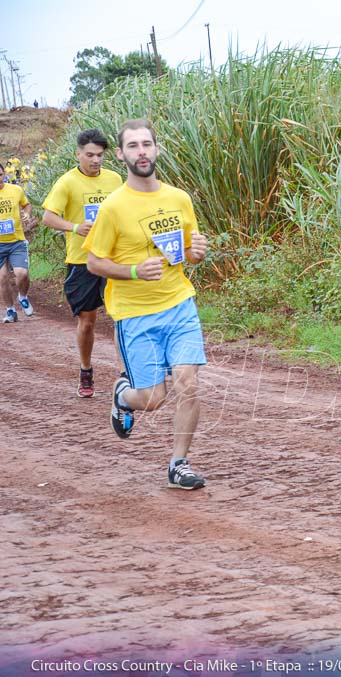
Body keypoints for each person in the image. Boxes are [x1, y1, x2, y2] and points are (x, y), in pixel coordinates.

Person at [83, 119, 211, 490]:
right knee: (153, 399)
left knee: (187, 383)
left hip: (179, 304)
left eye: (147, 144)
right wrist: (135, 271)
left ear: (157, 149)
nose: (142, 152)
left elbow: (184, 251)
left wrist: (196, 252)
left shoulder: (178, 198)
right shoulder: (114, 207)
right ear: (121, 155)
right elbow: (94, 262)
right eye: (133, 146)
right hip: (135, 314)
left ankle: (179, 463)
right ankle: (123, 396)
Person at [42, 128, 123, 397]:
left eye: (100, 155)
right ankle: (86, 370)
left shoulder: (115, 179)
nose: (95, 160)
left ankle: (125, 374)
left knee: (120, 317)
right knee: (87, 321)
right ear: (78, 154)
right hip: (82, 260)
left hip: (112, 258)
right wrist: (75, 227)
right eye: (90, 155)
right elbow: (48, 217)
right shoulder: (67, 183)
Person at [0, 170, 37, 323]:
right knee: (2, 279)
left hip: (16, 241)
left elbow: (26, 205)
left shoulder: (15, 190)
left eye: (0, 175)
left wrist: (27, 215)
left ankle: (23, 296)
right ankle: (10, 311)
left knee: (22, 274)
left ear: (4, 175)